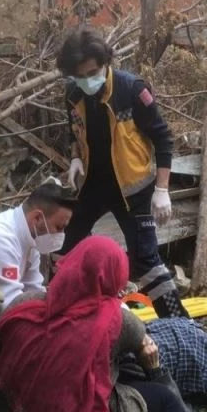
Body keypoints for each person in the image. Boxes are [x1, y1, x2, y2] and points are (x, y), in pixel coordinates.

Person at [0, 235, 187, 412]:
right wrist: (156, 372)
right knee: (167, 402)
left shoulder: (25, 302)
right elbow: (146, 347)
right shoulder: (118, 321)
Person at [57, 26, 188, 319]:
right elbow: (73, 131)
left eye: (93, 73)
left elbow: (163, 138)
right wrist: (75, 157)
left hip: (133, 190)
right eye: (79, 76)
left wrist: (162, 189)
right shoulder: (74, 92)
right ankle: (73, 316)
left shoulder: (132, 90)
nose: (87, 81)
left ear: (106, 63)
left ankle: (179, 324)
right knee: (66, 246)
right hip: (92, 185)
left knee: (145, 260)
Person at [0, 181, 77, 310]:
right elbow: (9, 306)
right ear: (37, 218)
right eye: (58, 227)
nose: (61, 234)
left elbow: (33, 289)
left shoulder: (31, 242)